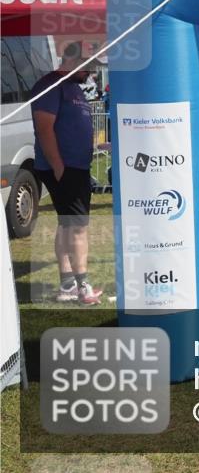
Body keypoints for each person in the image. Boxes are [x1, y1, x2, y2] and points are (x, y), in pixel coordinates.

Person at [30, 42, 103, 305]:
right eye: (89, 65)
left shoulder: (73, 86)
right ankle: (83, 286)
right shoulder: (50, 85)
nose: (91, 72)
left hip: (75, 167)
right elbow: (44, 129)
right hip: (65, 168)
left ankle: (68, 284)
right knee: (78, 227)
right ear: (73, 60)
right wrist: (59, 167)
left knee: (66, 225)